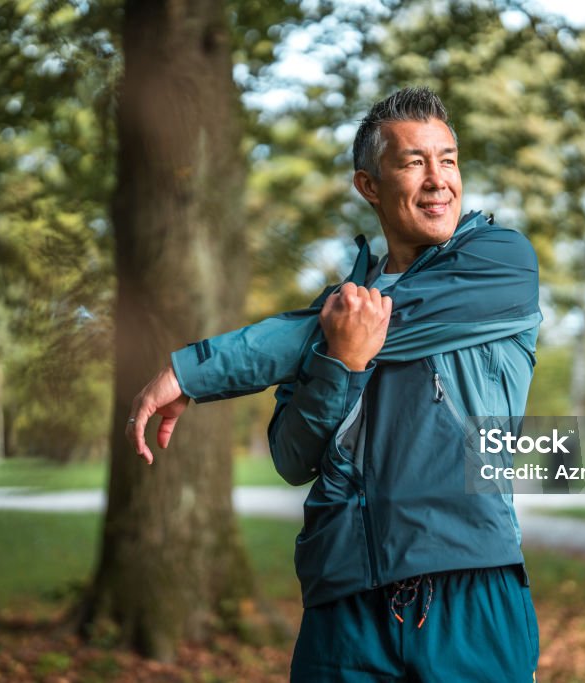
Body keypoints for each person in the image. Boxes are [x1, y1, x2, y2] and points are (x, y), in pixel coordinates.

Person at [126, 86, 542, 682]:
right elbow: (293, 456)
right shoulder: (333, 311)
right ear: (369, 185)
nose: (438, 181)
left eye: (448, 160)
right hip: (342, 600)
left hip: (469, 590)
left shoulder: (499, 264)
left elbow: (364, 324)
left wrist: (193, 371)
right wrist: (342, 364)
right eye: (414, 162)